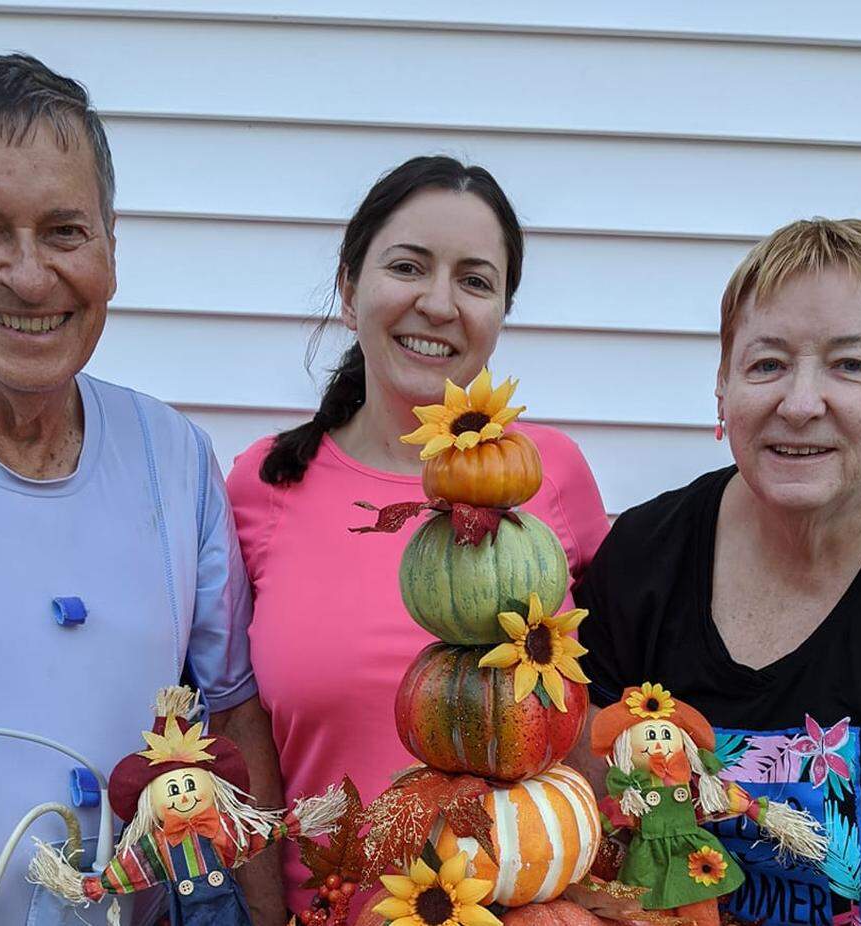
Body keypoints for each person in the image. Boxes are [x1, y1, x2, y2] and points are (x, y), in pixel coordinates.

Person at [0, 54, 264, 925]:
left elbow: (232, 720)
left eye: (66, 231)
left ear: (112, 243)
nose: (31, 276)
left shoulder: (175, 456)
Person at [576, 218, 861, 926]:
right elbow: (592, 847)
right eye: (767, 364)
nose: (799, 404)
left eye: (850, 365)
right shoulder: (642, 555)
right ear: (722, 382)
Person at [227, 156, 610, 914]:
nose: (438, 303)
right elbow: (242, 740)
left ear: (501, 311)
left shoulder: (551, 478)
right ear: (348, 289)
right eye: (408, 266)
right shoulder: (263, 486)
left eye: (474, 280)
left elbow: (603, 712)